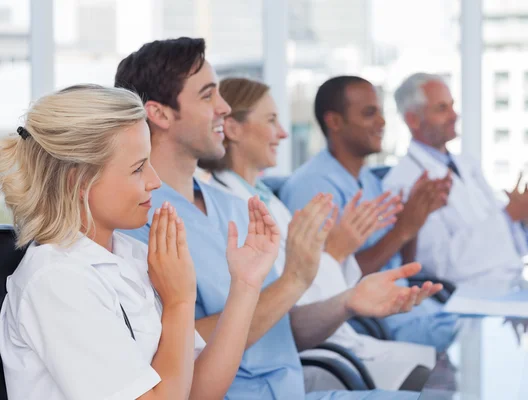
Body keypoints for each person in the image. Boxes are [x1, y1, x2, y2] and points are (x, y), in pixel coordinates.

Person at [116, 37, 439, 399]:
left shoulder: (236, 206)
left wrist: (346, 302)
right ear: (158, 113)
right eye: (207, 96)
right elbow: (172, 349)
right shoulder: (137, 222)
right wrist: (293, 279)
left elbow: (282, 332)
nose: (224, 108)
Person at [0, 85, 280, 400]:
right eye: (137, 168)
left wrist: (245, 285)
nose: (154, 181)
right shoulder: (56, 281)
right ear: (76, 181)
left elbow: (199, 390)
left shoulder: (132, 255)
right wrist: (179, 302)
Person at [203, 77, 439, 391]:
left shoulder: (266, 199)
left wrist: (338, 253)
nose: (284, 134)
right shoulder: (232, 209)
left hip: (338, 339)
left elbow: (306, 282)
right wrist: (337, 252)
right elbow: (290, 300)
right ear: (232, 128)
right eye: (271, 120)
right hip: (312, 355)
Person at [279, 76, 459, 352]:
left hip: (409, 307)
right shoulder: (313, 188)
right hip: (374, 323)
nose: (382, 123)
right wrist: (403, 230)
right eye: (368, 113)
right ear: (335, 122)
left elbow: (400, 265)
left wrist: (414, 219)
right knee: (474, 338)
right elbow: (326, 283)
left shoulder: (369, 179)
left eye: (381, 112)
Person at [384, 72, 528, 286]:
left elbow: (514, 246)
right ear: (413, 119)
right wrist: (509, 214)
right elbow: (438, 265)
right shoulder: (403, 181)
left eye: (452, 106)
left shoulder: (467, 165)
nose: (453, 115)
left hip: (509, 286)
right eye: (441, 108)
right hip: (467, 299)